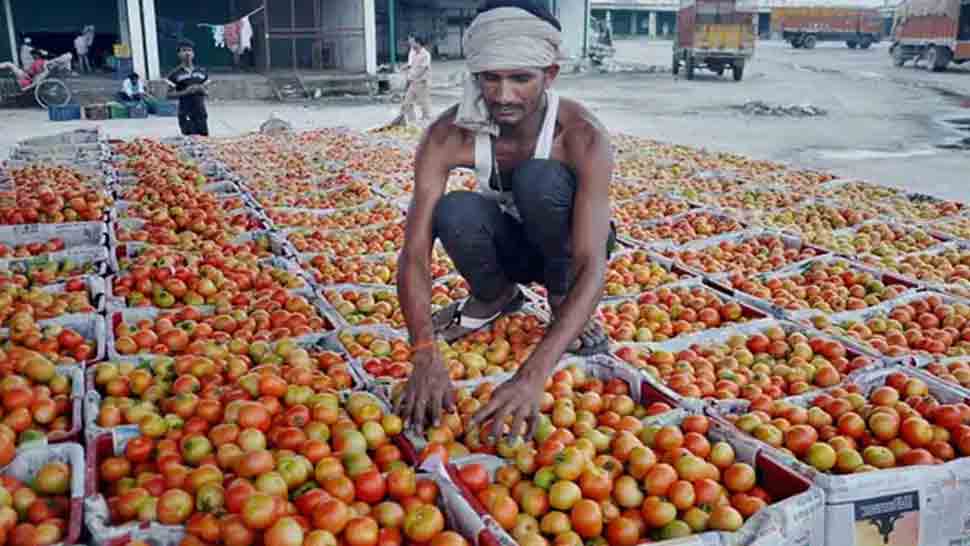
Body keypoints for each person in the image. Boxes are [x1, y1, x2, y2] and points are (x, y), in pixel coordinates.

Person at [395, 0, 615, 443]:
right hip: (515, 244)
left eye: (521, 79)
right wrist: (423, 351)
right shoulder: (447, 135)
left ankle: (560, 298)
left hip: (567, 250)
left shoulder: (581, 135)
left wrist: (533, 374)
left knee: (539, 180)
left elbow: (593, 262)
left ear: (549, 75)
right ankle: (496, 296)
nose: (503, 95)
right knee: (454, 209)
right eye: (491, 79)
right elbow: (414, 251)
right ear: (476, 76)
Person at [167, 40, 210, 137]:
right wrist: (186, 92)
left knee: (204, 141)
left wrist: (202, 90)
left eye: (190, 50)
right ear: (179, 54)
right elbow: (169, 95)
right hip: (185, 113)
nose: (187, 53)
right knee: (190, 142)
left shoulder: (202, 72)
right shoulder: (174, 74)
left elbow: (208, 92)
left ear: (193, 54)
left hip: (200, 112)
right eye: (184, 50)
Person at [1, 51, 72, 90]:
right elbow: (38, 72)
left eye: (34, 55)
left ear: (38, 55)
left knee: (9, 64)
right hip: (27, 76)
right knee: (10, 66)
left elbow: (36, 73)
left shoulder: (38, 62)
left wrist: (27, 73)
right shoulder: (44, 62)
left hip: (26, 77)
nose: (32, 56)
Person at [401, 35, 432, 123]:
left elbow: (422, 69)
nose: (410, 44)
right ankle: (412, 121)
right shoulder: (412, 53)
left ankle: (427, 122)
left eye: (412, 42)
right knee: (407, 103)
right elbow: (411, 65)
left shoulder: (425, 54)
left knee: (424, 104)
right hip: (413, 82)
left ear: (418, 43)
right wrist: (405, 68)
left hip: (422, 83)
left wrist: (412, 76)